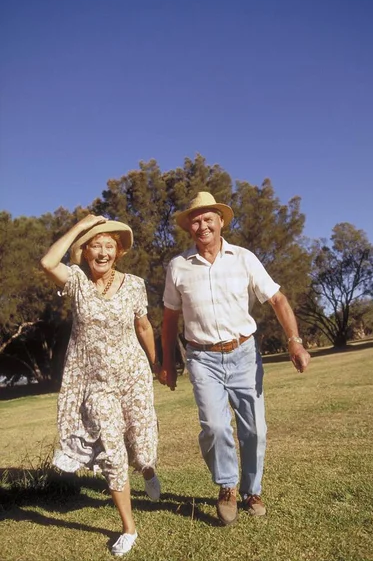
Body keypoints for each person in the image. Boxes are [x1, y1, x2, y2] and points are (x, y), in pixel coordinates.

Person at [160, 192, 310, 526]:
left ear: (221, 221)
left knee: (254, 429)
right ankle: (227, 487)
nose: (203, 226)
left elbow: (278, 300)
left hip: (243, 354)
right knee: (214, 427)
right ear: (189, 227)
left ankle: (251, 490)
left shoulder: (244, 258)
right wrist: (167, 363)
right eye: (196, 220)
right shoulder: (178, 266)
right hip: (202, 358)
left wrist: (295, 342)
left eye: (208, 218)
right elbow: (169, 319)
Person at [40, 214, 161, 556]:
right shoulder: (76, 280)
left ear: (119, 251)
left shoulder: (135, 284)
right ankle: (129, 528)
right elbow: (48, 261)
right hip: (94, 383)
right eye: (96, 245)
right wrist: (80, 227)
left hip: (133, 376)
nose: (104, 251)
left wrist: (158, 365)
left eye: (110, 245)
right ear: (87, 250)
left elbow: (144, 328)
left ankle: (148, 469)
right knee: (112, 449)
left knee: (141, 442)